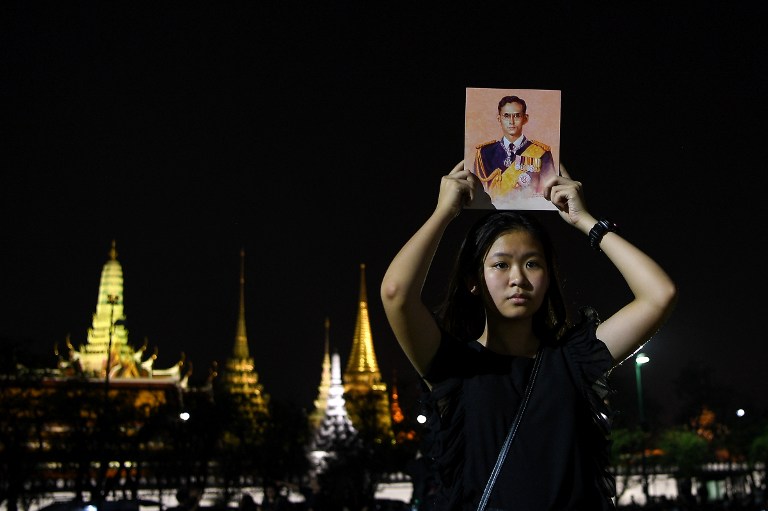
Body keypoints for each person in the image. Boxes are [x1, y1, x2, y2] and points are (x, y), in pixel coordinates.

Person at [380, 161, 677, 510]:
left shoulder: (573, 360)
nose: (518, 278)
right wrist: (444, 213)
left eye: (532, 263)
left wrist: (584, 220)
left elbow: (659, 295)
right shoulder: (455, 367)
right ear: (472, 282)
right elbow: (396, 293)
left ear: (548, 277)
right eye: (500, 264)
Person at [473, 95, 557, 204]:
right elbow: (477, 195)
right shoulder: (484, 153)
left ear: (525, 119)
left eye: (517, 116)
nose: (511, 121)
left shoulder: (541, 152)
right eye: (506, 116)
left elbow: (547, 196)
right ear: (499, 119)